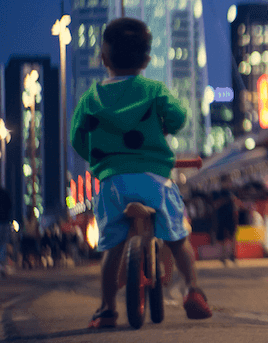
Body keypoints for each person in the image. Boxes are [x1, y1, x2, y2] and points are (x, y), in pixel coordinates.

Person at [71, 17, 212, 328]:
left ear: (103, 58)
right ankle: (193, 289)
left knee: (111, 250)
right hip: (155, 181)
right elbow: (177, 118)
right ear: (147, 61)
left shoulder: (91, 99)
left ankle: (107, 308)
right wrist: (164, 123)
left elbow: (77, 139)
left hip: (113, 185)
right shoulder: (153, 89)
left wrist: (101, 160)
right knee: (178, 239)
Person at [212, 174, 239, 264]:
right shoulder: (218, 193)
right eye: (227, 181)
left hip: (231, 215)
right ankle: (223, 255)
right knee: (223, 237)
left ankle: (232, 254)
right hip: (221, 216)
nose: (228, 183)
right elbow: (215, 205)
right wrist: (226, 200)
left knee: (232, 236)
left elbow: (237, 204)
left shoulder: (232, 192)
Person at [0, 185, 11, 276]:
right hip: (5, 221)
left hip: (3, 221)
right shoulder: (5, 193)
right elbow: (10, 206)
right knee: (3, 244)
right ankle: (3, 266)